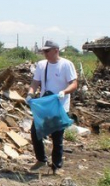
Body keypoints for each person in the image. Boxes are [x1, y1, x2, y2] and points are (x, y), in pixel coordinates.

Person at [26, 40, 78, 174]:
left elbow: (74, 84)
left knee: (57, 137)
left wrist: (64, 92)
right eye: (44, 51)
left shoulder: (66, 65)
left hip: (59, 106)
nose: (45, 54)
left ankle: (56, 166)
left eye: (47, 51)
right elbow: (35, 82)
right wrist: (30, 93)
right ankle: (41, 159)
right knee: (35, 132)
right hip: (45, 106)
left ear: (56, 50)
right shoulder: (42, 65)